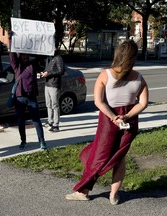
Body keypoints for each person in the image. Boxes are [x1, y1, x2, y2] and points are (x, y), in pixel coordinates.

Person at [65, 40, 149, 205]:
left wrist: (113, 117)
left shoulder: (105, 74)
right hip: (129, 122)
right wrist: (126, 116)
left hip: (108, 121)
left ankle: (84, 191)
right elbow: (143, 103)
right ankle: (114, 195)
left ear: (117, 54)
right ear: (133, 57)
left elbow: (98, 101)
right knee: (120, 157)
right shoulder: (139, 78)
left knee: (98, 155)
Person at [9, 41, 47, 150]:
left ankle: (42, 141)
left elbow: (41, 56)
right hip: (20, 98)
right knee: (21, 121)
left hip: (31, 97)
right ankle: (23, 141)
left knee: (36, 120)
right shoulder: (17, 66)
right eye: (23, 54)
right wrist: (12, 40)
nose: (25, 56)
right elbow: (12, 55)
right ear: (20, 55)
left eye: (26, 54)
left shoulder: (32, 65)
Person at [40, 45, 64, 132]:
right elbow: (47, 69)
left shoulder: (58, 58)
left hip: (54, 85)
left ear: (56, 47)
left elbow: (61, 71)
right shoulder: (49, 58)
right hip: (47, 84)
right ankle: (50, 121)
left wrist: (49, 73)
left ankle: (56, 125)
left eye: (53, 47)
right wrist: (44, 73)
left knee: (55, 105)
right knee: (48, 104)